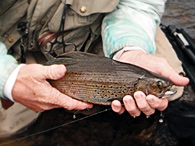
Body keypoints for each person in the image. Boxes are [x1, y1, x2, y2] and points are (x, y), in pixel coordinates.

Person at [0, 0, 189, 136]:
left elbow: (138, 5)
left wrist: (130, 48)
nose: (160, 87)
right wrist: (8, 78)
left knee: (172, 84)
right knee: (7, 130)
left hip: (95, 31)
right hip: (9, 46)